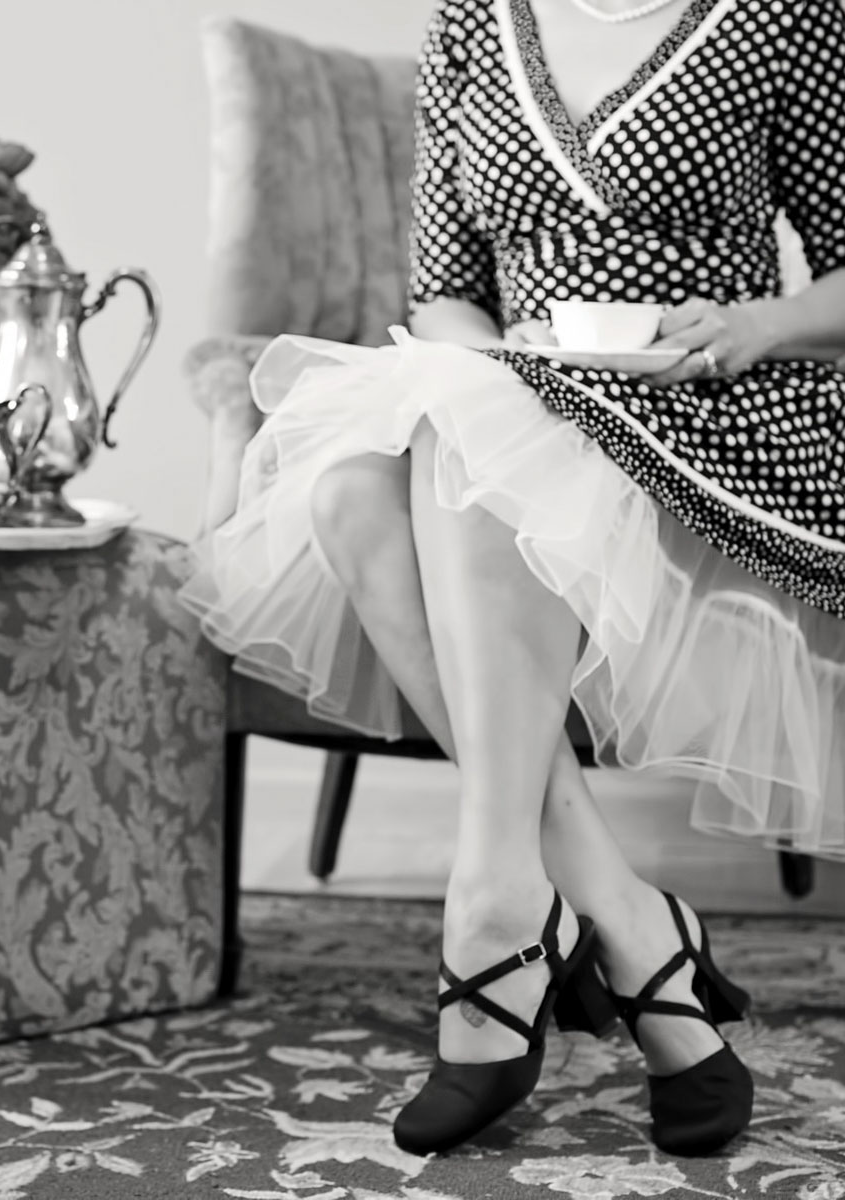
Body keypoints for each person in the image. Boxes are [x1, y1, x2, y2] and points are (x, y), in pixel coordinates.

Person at [180, 0, 845, 1160]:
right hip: (519, 391)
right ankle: (627, 921)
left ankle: (501, 911)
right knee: (358, 483)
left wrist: (751, 325)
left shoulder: (780, 13)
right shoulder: (472, 22)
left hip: (715, 413)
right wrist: (501, 372)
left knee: (465, 447)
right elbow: (444, 287)